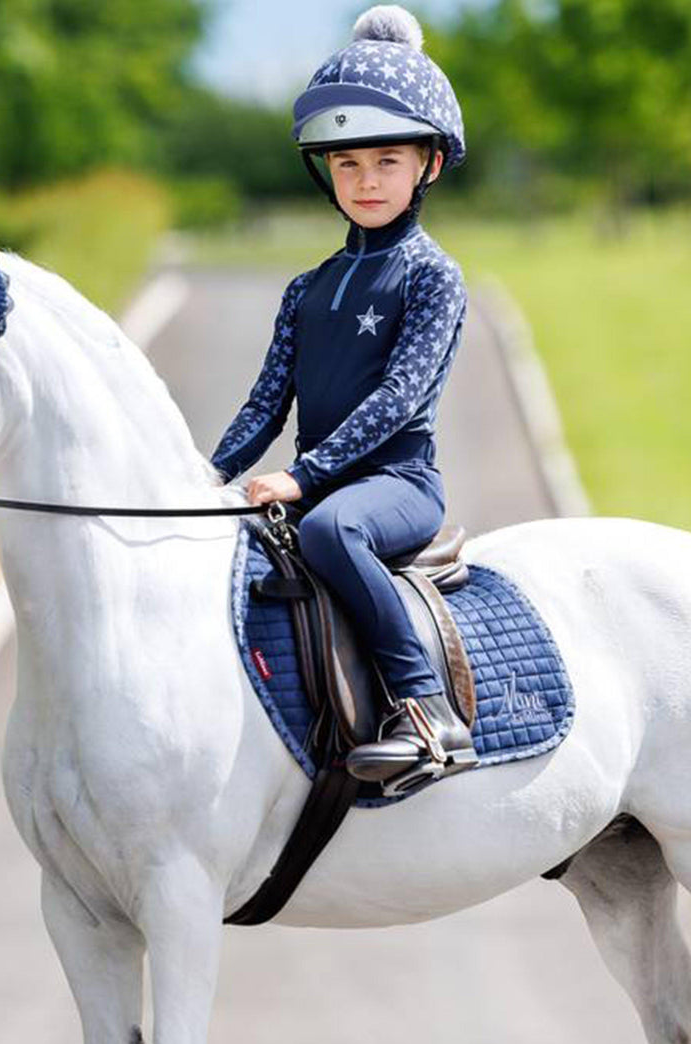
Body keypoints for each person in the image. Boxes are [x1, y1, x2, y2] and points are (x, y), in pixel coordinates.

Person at [209, 4, 475, 784]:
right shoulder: (306, 288)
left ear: (427, 165)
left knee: (328, 531)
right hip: (318, 480)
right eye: (348, 164)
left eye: (387, 161)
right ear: (326, 171)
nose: (365, 181)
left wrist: (304, 476)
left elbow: (398, 397)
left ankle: (427, 710)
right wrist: (204, 478)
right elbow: (265, 403)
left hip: (395, 486)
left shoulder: (433, 277)